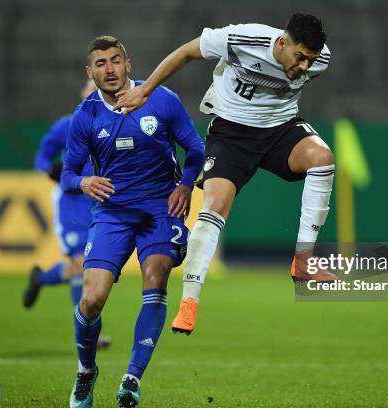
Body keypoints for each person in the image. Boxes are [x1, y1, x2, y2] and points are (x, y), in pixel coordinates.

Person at [114, 13, 337, 335]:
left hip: (280, 130)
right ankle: (188, 304)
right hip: (231, 134)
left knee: (322, 158)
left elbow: (301, 73)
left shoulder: (321, 60)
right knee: (214, 206)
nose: (304, 66)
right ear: (282, 42)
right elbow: (186, 52)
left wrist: (303, 65)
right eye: (299, 57)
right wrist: (145, 91)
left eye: (310, 60)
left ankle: (303, 260)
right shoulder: (242, 39)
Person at [61, 36, 205, 408]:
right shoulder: (86, 116)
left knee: (155, 278)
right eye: (100, 64)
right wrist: (83, 181)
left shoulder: (162, 100)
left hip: (161, 208)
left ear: (129, 64)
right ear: (89, 72)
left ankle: (131, 380)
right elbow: (68, 174)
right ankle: (86, 371)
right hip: (112, 212)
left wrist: (186, 186)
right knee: (91, 300)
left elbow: (196, 149)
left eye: (115, 60)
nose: (109, 69)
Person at [23, 79, 111, 349]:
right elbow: (43, 155)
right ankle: (87, 333)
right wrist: (51, 171)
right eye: (89, 86)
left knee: (80, 267)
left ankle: (42, 278)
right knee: (81, 265)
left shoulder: (114, 122)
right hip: (71, 204)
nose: (94, 91)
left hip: (96, 202)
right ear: (83, 92)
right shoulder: (68, 124)